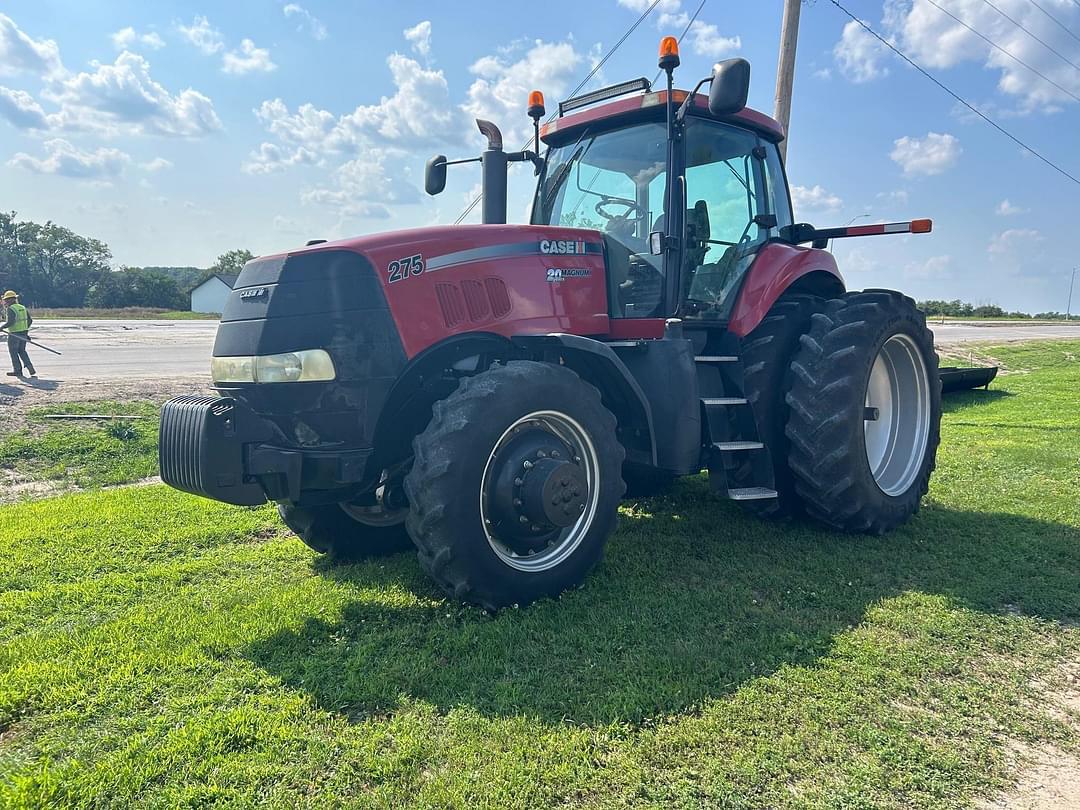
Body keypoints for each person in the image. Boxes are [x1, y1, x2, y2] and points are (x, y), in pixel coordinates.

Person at [2, 290, 36, 378]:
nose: (5, 302)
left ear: (9, 300)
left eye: (6, 300)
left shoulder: (11, 309)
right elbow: (30, 320)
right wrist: (25, 330)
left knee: (13, 352)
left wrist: (1, 328)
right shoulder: (22, 307)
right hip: (23, 333)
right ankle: (30, 368)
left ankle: (17, 371)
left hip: (14, 334)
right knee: (22, 351)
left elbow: (10, 322)